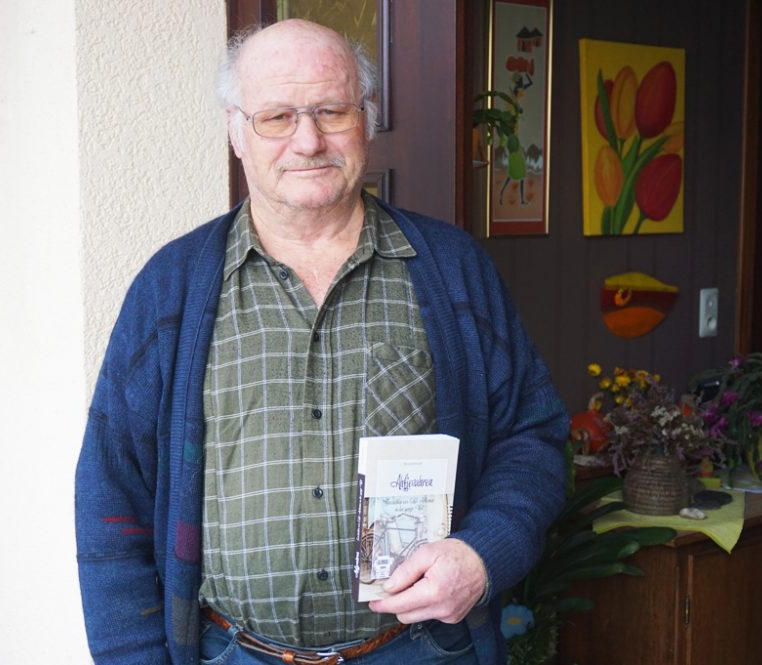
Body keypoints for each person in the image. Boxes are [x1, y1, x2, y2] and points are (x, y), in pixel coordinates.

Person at [75, 18, 568, 665]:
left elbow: (531, 436)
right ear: (236, 130)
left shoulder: (451, 270)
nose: (308, 140)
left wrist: (482, 552)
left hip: (418, 650)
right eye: (277, 116)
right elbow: (112, 496)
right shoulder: (170, 290)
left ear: (365, 117)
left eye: (331, 110)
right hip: (232, 652)